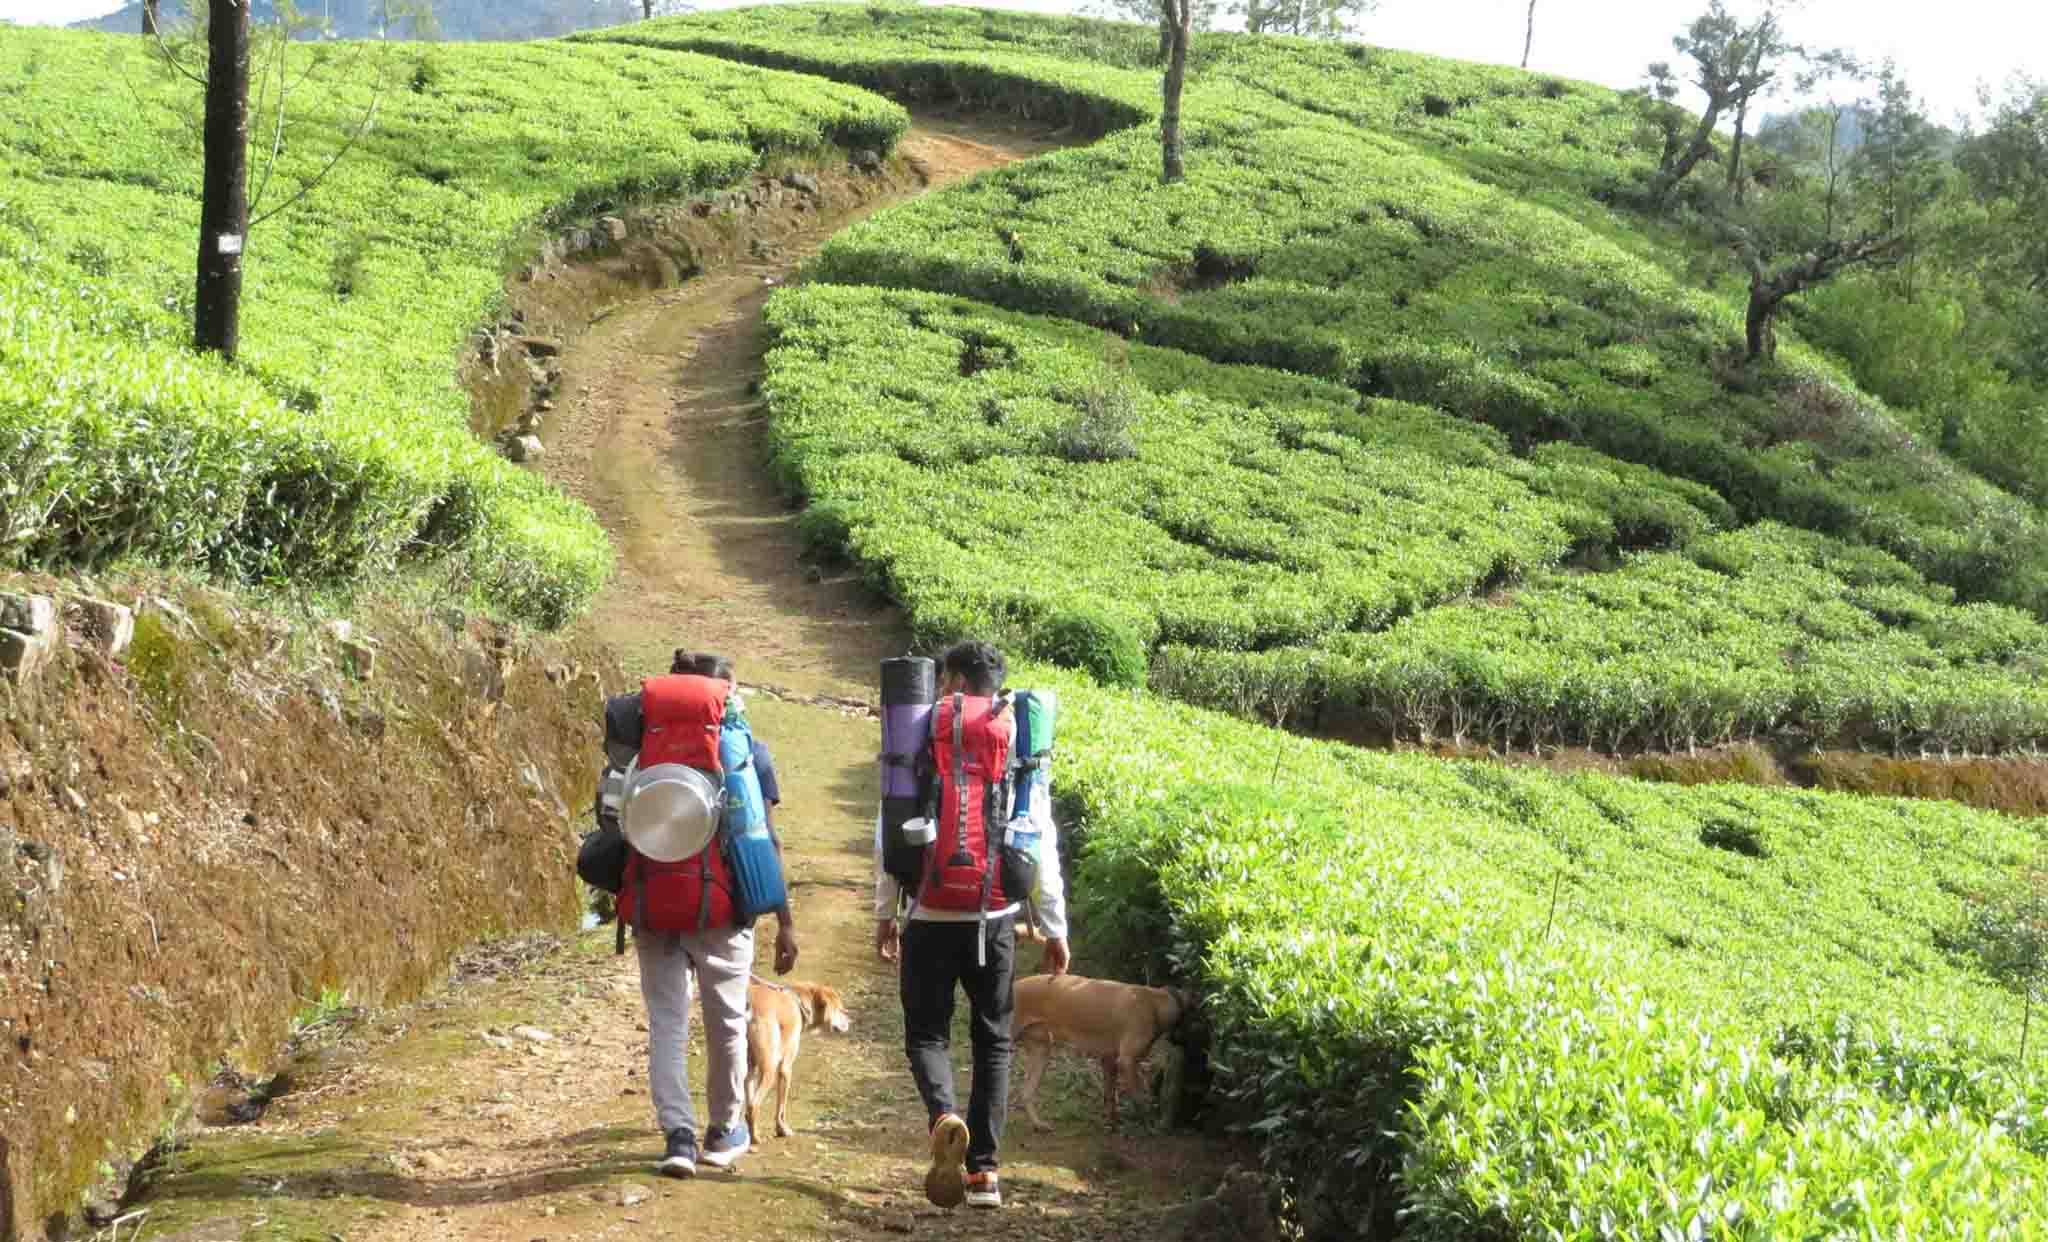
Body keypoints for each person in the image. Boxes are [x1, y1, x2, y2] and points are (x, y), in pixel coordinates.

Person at [874, 639, 1070, 1211]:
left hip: (929, 914)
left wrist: (886, 913)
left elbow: (889, 827)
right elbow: (1040, 835)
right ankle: (985, 1173)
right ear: (996, 685)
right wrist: (1055, 928)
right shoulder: (1017, 738)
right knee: (992, 1041)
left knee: (927, 1033)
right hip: (997, 917)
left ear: (954, 680)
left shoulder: (920, 733)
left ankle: (943, 1114)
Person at [611, 649, 799, 1180]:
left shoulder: (638, 750)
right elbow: (765, 840)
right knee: (727, 1022)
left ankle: (676, 1137)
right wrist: (784, 920)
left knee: (667, 1023)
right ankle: (723, 1132)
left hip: (653, 905)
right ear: (721, 700)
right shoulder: (747, 751)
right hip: (722, 910)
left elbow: (614, 824)